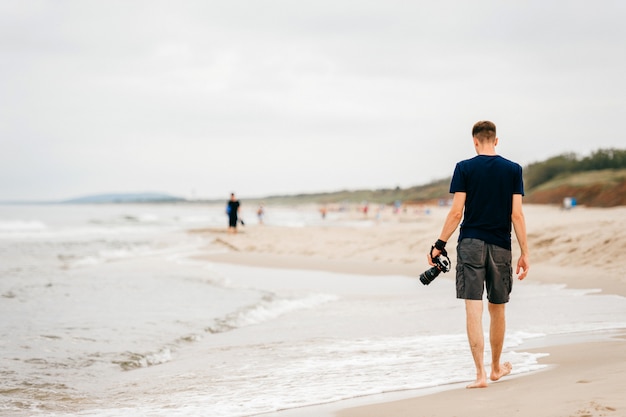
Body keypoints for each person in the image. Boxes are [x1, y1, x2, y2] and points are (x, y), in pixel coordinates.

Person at [427, 120, 530, 389]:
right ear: (496, 140)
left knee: (473, 310)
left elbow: (456, 212)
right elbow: (516, 214)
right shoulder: (513, 170)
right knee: (498, 309)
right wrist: (525, 252)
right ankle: (496, 368)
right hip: (501, 246)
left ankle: (480, 375)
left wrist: (439, 244)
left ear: (475, 141)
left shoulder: (464, 168)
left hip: (471, 244)